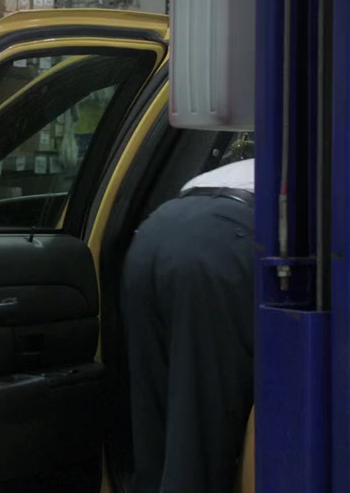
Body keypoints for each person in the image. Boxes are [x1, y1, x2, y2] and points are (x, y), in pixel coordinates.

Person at [121, 154, 255, 492]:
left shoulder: (263, 160)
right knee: (199, 423)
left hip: (155, 231)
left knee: (154, 417)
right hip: (220, 241)